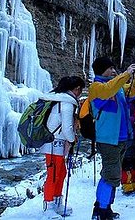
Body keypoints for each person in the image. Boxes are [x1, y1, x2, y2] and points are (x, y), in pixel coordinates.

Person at [89, 57, 135, 220]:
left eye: (114, 68)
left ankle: (103, 207)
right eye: (110, 68)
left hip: (120, 138)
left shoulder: (116, 86)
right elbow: (108, 90)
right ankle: (102, 211)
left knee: (110, 174)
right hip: (108, 139)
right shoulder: (96, 87)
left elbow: (131, 92)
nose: (113, 71)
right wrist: (126, 74)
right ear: (101, 70)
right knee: (112, 175)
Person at [40, 75, 85, 216]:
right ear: (77, 89)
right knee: (53, 174)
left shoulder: (61, 100)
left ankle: (57, 201)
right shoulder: (66, 104)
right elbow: (67, 128)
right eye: (80, 90)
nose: (80, 94)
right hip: (54, 143)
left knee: (61, 172)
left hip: (56, 143)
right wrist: (72, 139)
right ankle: (49, 207)